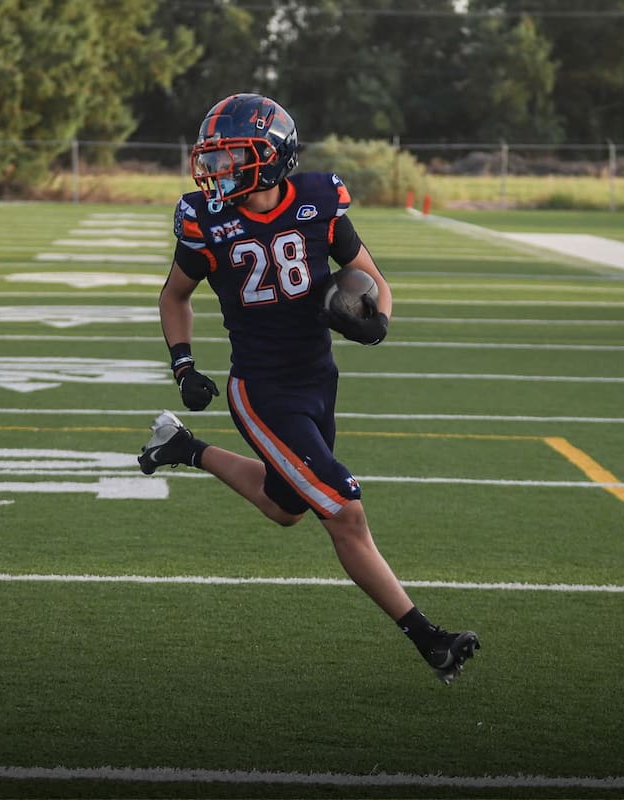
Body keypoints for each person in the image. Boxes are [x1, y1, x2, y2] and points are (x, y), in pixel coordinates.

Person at [136, 92, 480, 684]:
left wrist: (377, 322)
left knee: (287, 507)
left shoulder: (319, 201)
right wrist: (184, 366)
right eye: (213, 157)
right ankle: (430, 640)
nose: (216, 169)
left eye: (232, 156)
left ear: (272, 157)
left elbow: (372, 279)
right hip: (262, 391)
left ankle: (183, 448)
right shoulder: (205, 219)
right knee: (344, 510)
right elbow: (175, 296)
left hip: (319, 379)